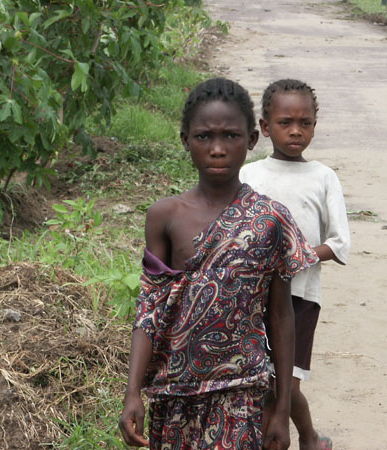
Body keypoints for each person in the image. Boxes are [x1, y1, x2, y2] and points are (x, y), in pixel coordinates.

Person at [119, 78, 318, 450]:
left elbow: (280, 316)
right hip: (174, 392)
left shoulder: (270, 219)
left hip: (242, 391)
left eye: (230, 136)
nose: (217, 149)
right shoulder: (164, 216)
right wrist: (133, 393)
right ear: (184, 140)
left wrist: (281, 409)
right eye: (203, 137)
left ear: (252, 140)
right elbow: (149, 309)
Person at [240, 79, 351, 450]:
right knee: (259, 383)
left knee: (285, 383)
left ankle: (306, 437)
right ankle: (309, 438)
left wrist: (298, 255)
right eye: (285, 122)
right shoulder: (248, 175)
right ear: (265, 127)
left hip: (299, 296)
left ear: (315, 127)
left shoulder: (323, 177)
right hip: (249, 297)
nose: (295, 131)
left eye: (305, 123)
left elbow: (339, 243)